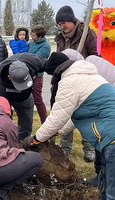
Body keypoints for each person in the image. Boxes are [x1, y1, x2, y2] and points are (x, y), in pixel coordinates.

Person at [25, 52, 115, 200]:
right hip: (111, 137)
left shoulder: (69, 82)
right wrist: (58, 131)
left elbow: (57, 117)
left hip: (112, 139)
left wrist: (37, 138)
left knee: (112, 192)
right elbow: (80, 113)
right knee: (107, 182)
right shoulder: (90, 77)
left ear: (56, 72)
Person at [54, 5, 98, 162]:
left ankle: (89, 148)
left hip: (84, 81)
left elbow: (95, 57)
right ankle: (65, 150)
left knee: (86, 116)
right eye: (59, 24)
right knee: (66, 115)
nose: (62, 26)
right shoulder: (60, 38)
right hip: (67, 82)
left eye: (64, 22)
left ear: (72, 20)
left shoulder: (86, 33)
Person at [0, 52, 47, 142]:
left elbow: (51, 64)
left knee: (26, 124)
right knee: (3, 125)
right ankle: (7, 145)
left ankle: (22, 144)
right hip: (5, 96)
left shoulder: (33, 61)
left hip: (25, 97)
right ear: (9, 77)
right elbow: (5, 118)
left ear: (27, 70)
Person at [28, 25, 51, 124]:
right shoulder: (31, 43)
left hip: (37, 75)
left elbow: (36, 60)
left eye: (33, 35)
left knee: (37, 99)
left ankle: (45, 122)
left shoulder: (46, 46)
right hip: (28, 74)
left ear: (40, 37)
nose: (31, 37)